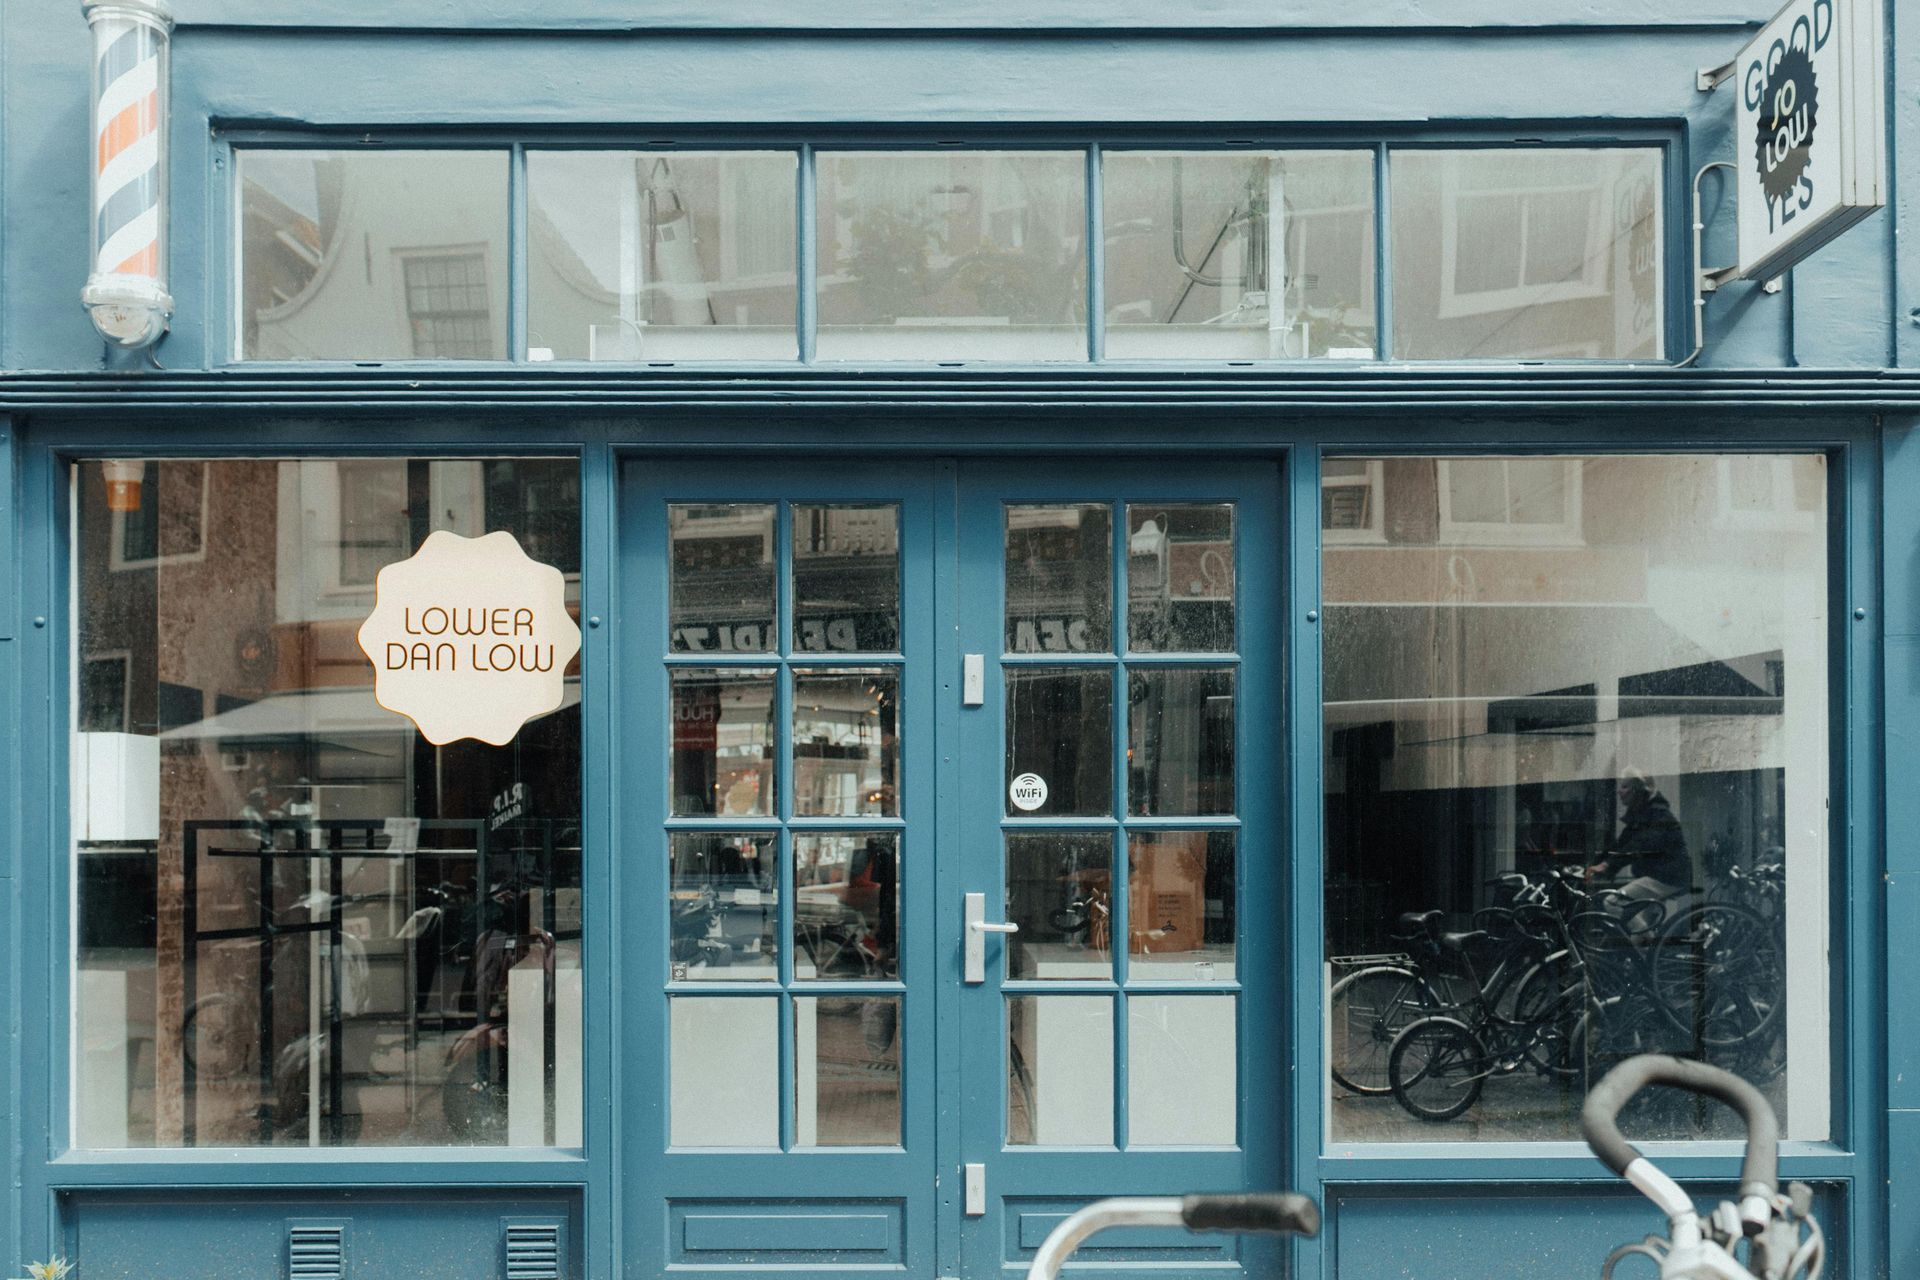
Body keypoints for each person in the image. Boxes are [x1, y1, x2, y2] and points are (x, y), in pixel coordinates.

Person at [1586, 769, 1691, 924]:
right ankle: (1646, 940)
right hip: (1657, 875)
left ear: (1638, 790)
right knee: (1643, 924)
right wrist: (1593, 865)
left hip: (1667, 877)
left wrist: (1607, 865)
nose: (1619, 791)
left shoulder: (1658, 814)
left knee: (1612, 903)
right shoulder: (1641, 813)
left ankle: (1641, 939)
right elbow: (1620, 845)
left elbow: (1639, 845)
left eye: (1625, 787)